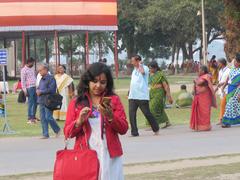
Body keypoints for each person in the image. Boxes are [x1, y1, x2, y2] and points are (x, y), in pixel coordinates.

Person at [64, 62, 128, 180]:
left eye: (103, 82)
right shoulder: (77, 102)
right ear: (88, 82)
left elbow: (124, 128)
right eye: (94, 81)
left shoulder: (113, 100)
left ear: (107, 83)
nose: (98, 85)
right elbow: (67, 133)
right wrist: (78, 122)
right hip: (85, 154)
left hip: (110, 155)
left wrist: (110, 117)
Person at [128, 55, 159, 136]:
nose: (131, 62)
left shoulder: (144, 68)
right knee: (131, 114)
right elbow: (133, 82)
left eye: (133, 61)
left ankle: (156, 128)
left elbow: (142, 72)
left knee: (147, 113)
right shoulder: (134, 70)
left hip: (142, 96)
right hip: (133, 96)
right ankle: (134, 132)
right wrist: (129, 91)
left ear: (138, 61)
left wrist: (140, 64)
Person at [37, 63, 61, 139]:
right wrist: (38, 91)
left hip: (49, 101)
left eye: (40, 70)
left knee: (48, 117)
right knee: (43, 118)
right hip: (41, 100)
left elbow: (52, 89)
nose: (39, 72)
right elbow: (40, 88)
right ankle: (45, 134)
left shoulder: (51, 78)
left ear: (45, 70)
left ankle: (57, 130)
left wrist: (41, 91)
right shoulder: (41, 79)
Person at [190, 65, 217, 131]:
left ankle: (206, 127)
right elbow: (197, 84)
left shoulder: (207, 76)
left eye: (200, 70)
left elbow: (200, 83)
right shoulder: (200, 77)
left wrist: (196, 80)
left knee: (205, 112)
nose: (198, 71)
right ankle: (198, 126)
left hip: (205, 97)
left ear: (203, 71)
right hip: (198, 96)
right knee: (198, 112)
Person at [148, 61, 173, 129]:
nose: (150, 69)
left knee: (152, 108)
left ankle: (154, 125)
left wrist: (169, 96)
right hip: (152, 92)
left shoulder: (160, 74)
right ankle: (167, 122)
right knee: (159, 108)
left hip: (159, 92)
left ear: (155, 68)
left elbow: (165, 85)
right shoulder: (149, 74)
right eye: (149, 68)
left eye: (151, 68)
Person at [221, 53, 240, 128]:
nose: (234, 63)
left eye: (236, 62)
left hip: (237, 90)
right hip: (230, 89)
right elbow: (228, 79)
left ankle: (226, 122)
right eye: (234, 61)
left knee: (229, 105)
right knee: (235, 106)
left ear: (239, 63)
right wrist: (223, 86)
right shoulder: (232, 70)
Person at [20, 57, 37, 124]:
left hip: (35, 87)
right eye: (32, 63)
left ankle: (33, 116)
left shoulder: (32, 69)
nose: (33, 64)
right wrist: (24, 90)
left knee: (36, 102)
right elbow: (23, 81)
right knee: (31, 103)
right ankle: (30, 117)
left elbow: (34, 77)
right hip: (29, 88)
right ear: (29, 62)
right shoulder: (23, 70)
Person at [214, 58, 230, 125]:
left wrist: (222, 84)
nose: (217, 64)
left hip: (227, 90)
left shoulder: (229, 70)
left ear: (222, 63)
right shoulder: (220, 71)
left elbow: (229, 81)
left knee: (223, 105)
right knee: (224, 105)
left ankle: (221, 119)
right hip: (221, 91)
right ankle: (224, 119)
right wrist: (216, 88)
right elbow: (219, 81)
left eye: (218, 63)